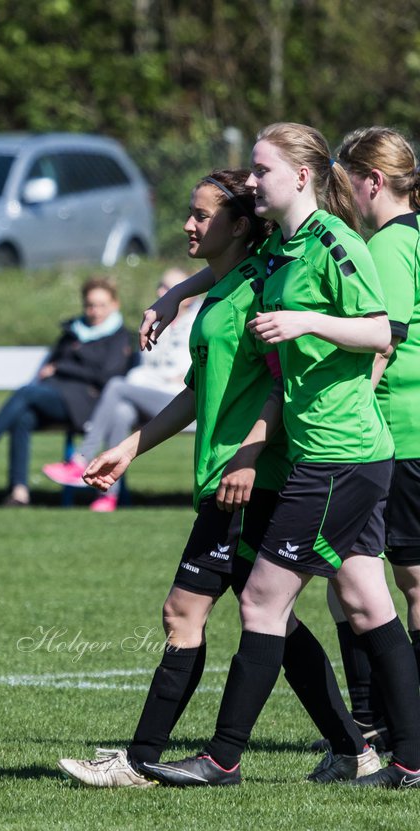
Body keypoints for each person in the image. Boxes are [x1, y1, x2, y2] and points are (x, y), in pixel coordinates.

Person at [57, 169, 372, 788]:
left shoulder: (264, 289)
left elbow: (284, 386)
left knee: (188, 612)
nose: (188, 224)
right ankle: (352, 748)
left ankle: (141, 759)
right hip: (226, 477)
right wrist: (129, 447)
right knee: (263, 618)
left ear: (238, 225)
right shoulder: (228, 288)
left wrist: (250, 457)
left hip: (254, 479)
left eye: (202, 215)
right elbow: (200, 391)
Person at [137, 122, 420, 788]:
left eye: (263, 170)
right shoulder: (285, 251)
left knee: (263, 602)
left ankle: (222, 758)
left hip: (337, 455)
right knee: (368, 603)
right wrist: (177, 294)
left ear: (302, 177)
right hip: (327, 455)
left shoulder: (334, 242)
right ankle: (410, 760)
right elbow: (231, 274)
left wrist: (307, 322)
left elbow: (382, 333)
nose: (254, 180)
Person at [313, 126, 420, 751]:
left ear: (371, 182)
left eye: (343, 177)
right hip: (407, 430)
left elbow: (386, 338)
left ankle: (379, 725)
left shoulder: (387, 246)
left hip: (394, 432)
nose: (340, 190)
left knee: (380, 581)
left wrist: (348, 412)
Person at [0, 276, 135, 506]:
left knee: (27, 393)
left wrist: (63, 367)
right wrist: (58, 367)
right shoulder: (74, 330)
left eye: (101, 305)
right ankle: (19, 492)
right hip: (57, 397)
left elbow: (107, 377)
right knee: (22, 416)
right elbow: (52, 364)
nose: (94, 311)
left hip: (88, 405)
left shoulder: (119, 336)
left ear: (115, 305)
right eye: (90, 305)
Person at [42, 268, 198, 511]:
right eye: (160, 285)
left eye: (168, 288)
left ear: (188, 293)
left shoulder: (198, 320)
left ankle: (81, 460)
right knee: (121, 411)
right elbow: (151, 368)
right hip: (152, 395)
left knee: (116, 386)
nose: (160, 292)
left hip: (183, 402)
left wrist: (150, 378)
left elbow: (183, 374)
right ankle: (108, 495)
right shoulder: (160, 319)